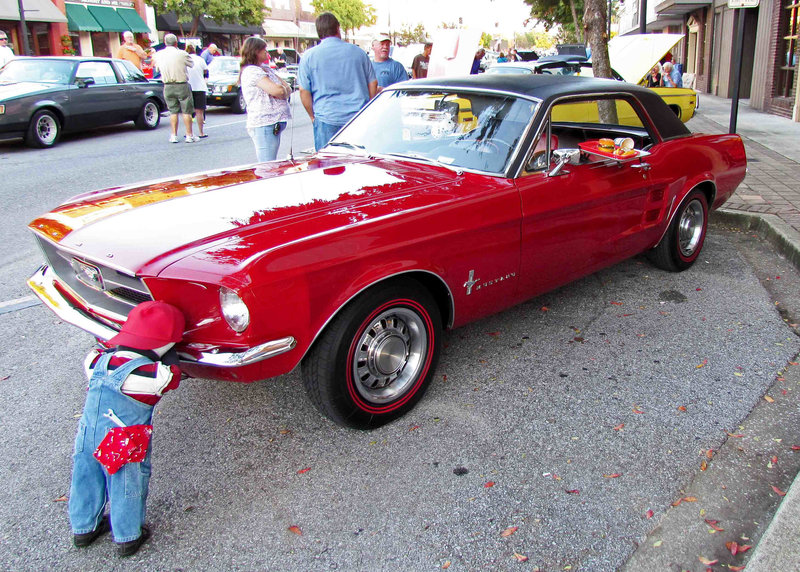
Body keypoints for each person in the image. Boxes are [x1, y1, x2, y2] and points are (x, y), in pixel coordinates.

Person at [68, 301, 184, 558]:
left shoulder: (95, 361)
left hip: (88, 432)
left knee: (85, 476)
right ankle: (127, 535)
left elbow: (101, 349)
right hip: (122, 440)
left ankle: (83, 528)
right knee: (126, 482)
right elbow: (172, 377)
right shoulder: (152, 375)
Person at [297, 12, 377, 151]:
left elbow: (304, 91)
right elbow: (373, 83)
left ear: (319, 32)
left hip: (326, 118)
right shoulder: (359, 53)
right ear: (337, 28)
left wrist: (313, 116)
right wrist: (366, 109)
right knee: (357, 165)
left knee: (327, 167)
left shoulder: (309, 57)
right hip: (357, 117)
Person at [239, 36, 292, 162]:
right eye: (264, 50)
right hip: (264, 123)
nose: (266, 53)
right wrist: (280, 91)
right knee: (267, 165)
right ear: (255, 52)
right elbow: (277, 90)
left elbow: (287, 88)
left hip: (273, 123)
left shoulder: (265, 69)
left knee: (271, 163)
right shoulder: (252, 71)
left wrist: (281, 91)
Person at [153, 34, 196, 143]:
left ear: (165, 42)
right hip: (181, 84)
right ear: (176, 43)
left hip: (167, 85)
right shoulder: (182, 54)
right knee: (186, 111)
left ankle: (174, 135)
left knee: (173, 112)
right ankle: (189, 135)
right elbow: (191, 64)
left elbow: (157, 68)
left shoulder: (159, 55)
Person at [185, 44, 209, 139]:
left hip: (188, 87)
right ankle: (201, 132)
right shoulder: (200, 59)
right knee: (199, 112)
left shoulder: (185, 59)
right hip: (200, 87)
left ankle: (189, 132)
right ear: (195, 50)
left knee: (188, 112)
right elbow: (206, 72)